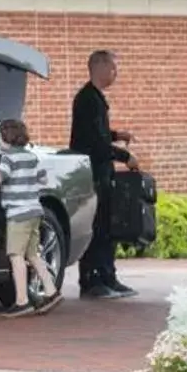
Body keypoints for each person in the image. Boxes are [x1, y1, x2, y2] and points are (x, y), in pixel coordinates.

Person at [0, 118, 62, 317]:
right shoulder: (30, 157)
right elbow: (43, 179)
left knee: (15, 256)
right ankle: (51, 291)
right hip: (34, 212)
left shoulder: (8, 158)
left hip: (18, 214)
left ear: (6, 138)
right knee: (33, 255)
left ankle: (22, 301)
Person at [71, 49, 139, 298]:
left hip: (101, 173)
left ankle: (109, 276)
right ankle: (92, 281)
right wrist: (125, 156)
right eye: (113, 68)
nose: (115, 74)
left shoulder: (94, 99)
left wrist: (116, 135)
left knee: (107, 226)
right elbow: (94, 142)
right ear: (99, 68)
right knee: (97, 226)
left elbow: (97, 133)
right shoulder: (88, 99)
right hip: (92, 174)